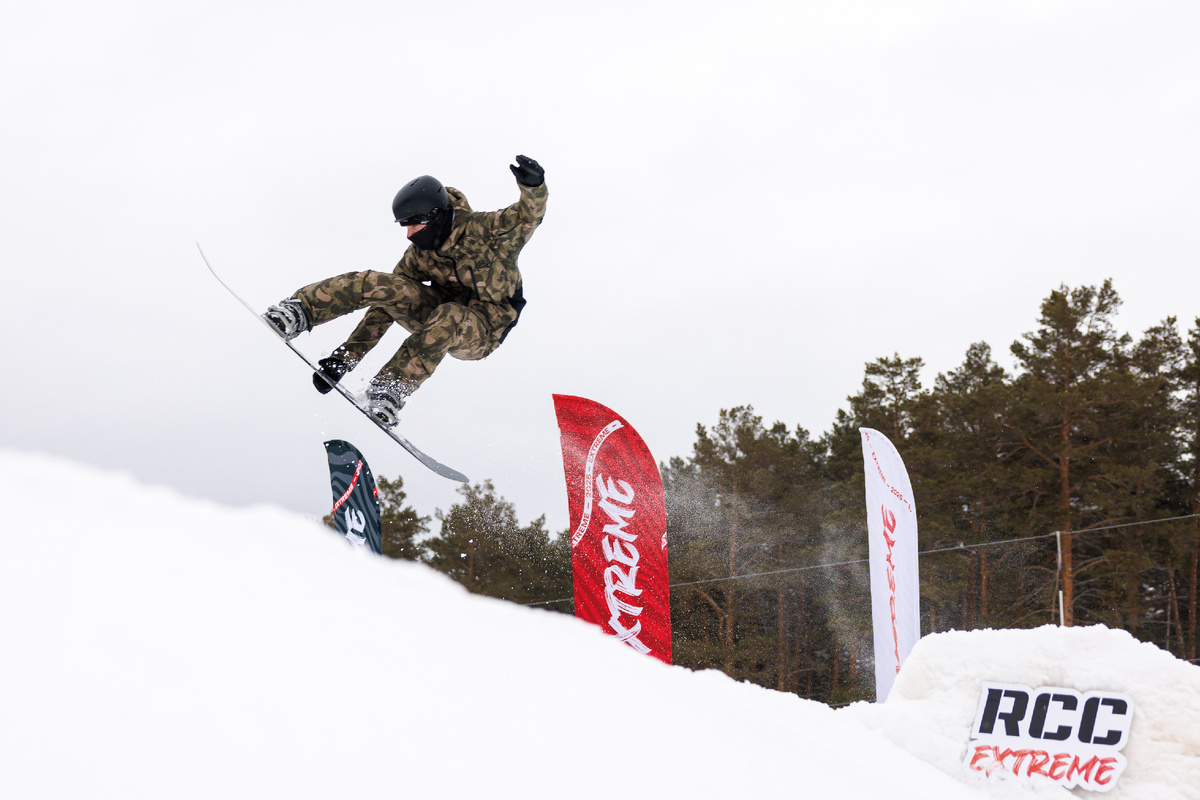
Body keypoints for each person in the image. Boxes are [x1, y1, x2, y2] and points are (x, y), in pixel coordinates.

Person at [263, 155, 547, 427]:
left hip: (483, 331)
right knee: (379, 283)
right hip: (436, 314)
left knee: (450, 315)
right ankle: (300, 311)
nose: (410, 234)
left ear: (435, 216)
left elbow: (526, 217)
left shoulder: (487, 232)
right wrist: (345, 358)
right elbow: (385, 304)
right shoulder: (419, 255)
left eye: (414, 224)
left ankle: (391, 388)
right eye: (404, 226)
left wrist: (533, 186)